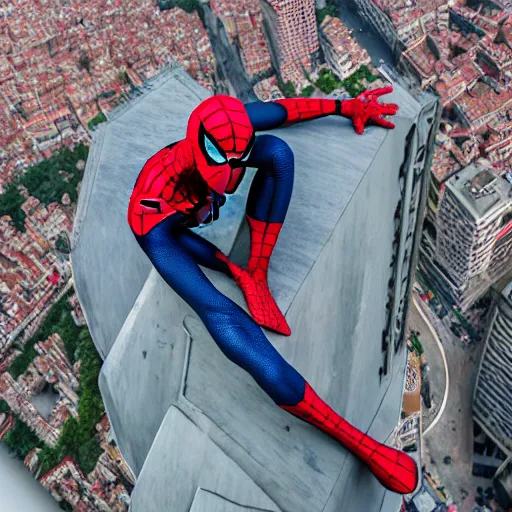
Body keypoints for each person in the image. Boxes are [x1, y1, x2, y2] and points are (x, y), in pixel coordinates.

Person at [127, 88, 418, 494]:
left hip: (193, 204)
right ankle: (353, 439)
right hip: (171, 225)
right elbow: (219, 313)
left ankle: (257, 270)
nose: (230, 174)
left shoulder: (229, 130)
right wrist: (361, 445)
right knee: (228, 319)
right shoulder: (151, 207)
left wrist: (347, 106)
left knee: (279, 152)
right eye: (219, 159)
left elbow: (288, 111)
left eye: (237, 159)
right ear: (198, 146)